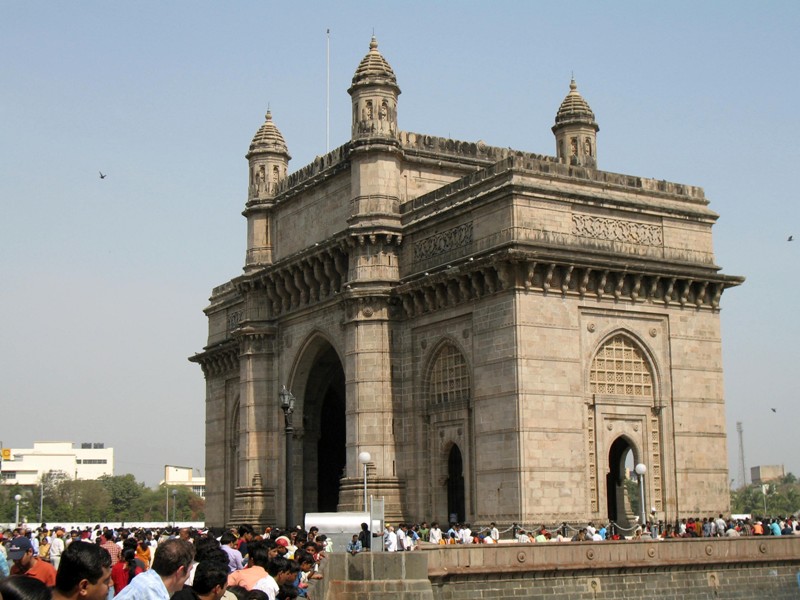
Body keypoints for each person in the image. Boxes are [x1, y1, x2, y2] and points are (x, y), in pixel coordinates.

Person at [114, 539, 195, 600]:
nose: (189, 575)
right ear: (180, 571)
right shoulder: (154, 595)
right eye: (190, 570)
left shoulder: (143, 579)